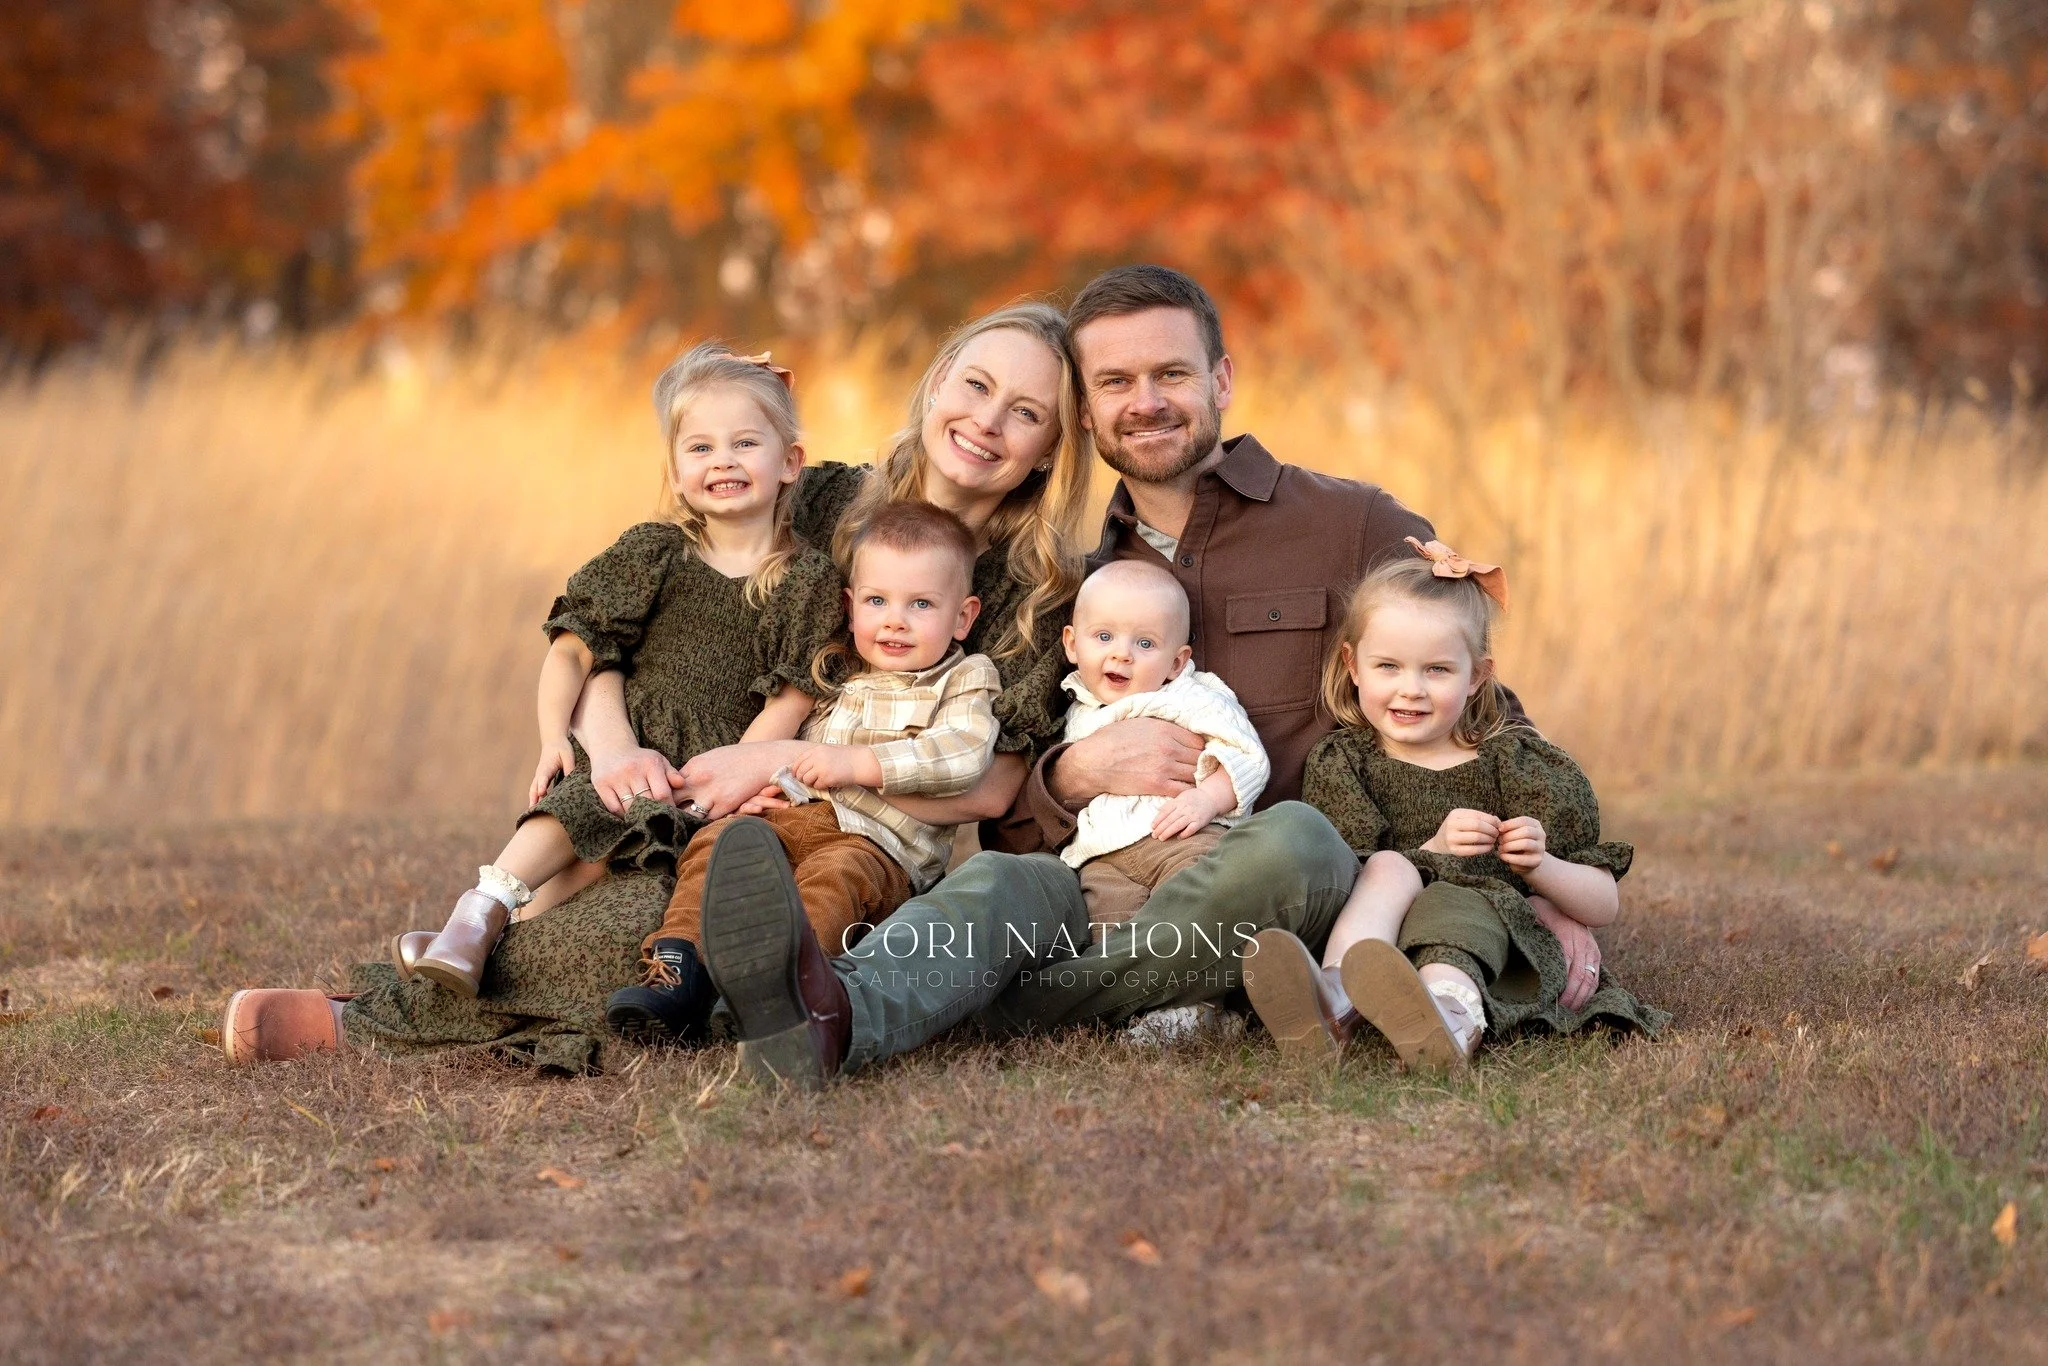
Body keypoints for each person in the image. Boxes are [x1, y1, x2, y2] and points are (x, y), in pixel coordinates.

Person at [695, 263, 1536, 1091]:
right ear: (1087, 414)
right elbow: (1012, 822)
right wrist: (1073, 774)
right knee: (1011, 881)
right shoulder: (1078, 585)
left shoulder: (1351, 523)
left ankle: (993, 1006)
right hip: (1110, 884)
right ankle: (830, 1017)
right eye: (1115, 382)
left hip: (1278, 884)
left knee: (1299, 837)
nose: (1146, 401)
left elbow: (1478, 705)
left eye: (1171, 373)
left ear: (1221, 380)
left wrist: (1550, 888)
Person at [218, 343, 845, 1065]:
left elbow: (789, 699)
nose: (723, 461)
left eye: (745, 443)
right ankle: (468, 925)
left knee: (644, 925)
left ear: (791, 463)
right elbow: (572, 648)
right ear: (675, 470)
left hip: (704, 787)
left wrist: (721, 785)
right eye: (700, 447)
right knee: (581, 813)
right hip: (629, 753)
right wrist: (556, 737)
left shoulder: (807, 578)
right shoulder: (654, 553)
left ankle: (475, 963)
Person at [1247, 538, 1667, 1068]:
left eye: (1437, 670)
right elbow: (1342, 881)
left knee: (1457, 903)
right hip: (1385, 940)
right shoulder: (1344, 763)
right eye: (1388, 666)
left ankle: (1449, 1020)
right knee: (1388, 867)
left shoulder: (1517, 765)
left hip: (1489, 948)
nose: (1411, 689)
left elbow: (1603, 905)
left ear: (1477, 677)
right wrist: (1434, 850)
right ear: (1353, 665)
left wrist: (1540, 866)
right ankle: (1334, 997)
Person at [604, 502, 1001, 1043]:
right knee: (718, 845)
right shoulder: (837, 676)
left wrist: (857, 764)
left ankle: (778, 991)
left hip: (877, 846)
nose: (895, 620)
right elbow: (798, 761)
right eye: (877, 601)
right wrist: (766, 791)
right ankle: (680, 971)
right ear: (850, 608)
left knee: (831, 884)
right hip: (791, 819)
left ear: (963, 617)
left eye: (922, 604)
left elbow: (963, 754)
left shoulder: (965, 678)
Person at [1053, 558, 1266, 932]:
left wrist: (1207, 799)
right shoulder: (1075, 708)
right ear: (1072, 643)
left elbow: (1246, 755)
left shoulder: (1191, 697)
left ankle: (1211, 972)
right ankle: (1122, 971)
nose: (1122, 654)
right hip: (1104, 859)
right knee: (1109, 935)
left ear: (1176, 663)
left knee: (1196, 913)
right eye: (1104, 636)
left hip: (1184, 838)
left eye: (1145, 643)